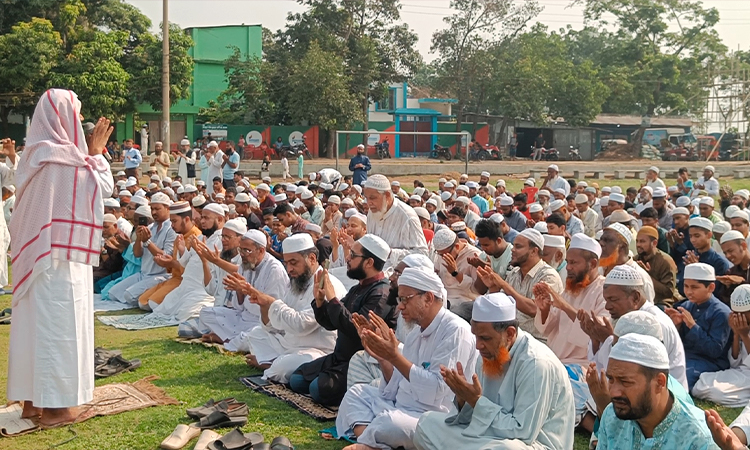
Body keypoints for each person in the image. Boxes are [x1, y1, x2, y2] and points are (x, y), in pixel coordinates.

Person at [8, 89, 112, 427]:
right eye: (77, 113)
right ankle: (54, 410)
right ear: (61, 116)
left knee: (34, 329)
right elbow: (102, 189)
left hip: (40, 258)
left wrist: (90, 154)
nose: (81, 121)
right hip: (59, 262)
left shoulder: (34, 154)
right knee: (58, 329)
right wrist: (95, 153)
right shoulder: (62, 160)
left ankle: (31, 402)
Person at [335, 266, 478, 450]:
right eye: (399, 299)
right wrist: (383, 358)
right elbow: (395, 387)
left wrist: (394, 356)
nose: (400, 306)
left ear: (428, 298)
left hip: (433, 416)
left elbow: (436, 391)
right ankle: (373, 443)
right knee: (356, 394)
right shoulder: (416, 333)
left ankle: (371, 442)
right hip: (402, 408)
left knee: (391, 423)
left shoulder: (455, 331)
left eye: (405, 299)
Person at [413, 292, 575, 450]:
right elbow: (480, 418)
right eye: (476, 336)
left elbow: (522, 432)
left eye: (485, 338)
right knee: (427, 423)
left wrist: (475, 401)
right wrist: (464, 400)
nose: (478, 345)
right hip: (490, 436)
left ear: (510, 334)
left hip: (532, 443)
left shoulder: (536, 363)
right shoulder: (487, 354)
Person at [290, 235, 395, 406]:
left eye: (353, 255)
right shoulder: (357, 288)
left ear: (369, 262)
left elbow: (357, 331)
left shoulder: (383, 293)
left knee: (317, 389)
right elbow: (332, 323)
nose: (347, 258)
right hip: (339, 357)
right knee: (297, 379)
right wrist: (320, 301)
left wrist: (332, 299)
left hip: (361, 362)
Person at [228, 233, 347, 383]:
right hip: (290, 344)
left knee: (282, 367)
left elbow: (302, 325)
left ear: (311, 258)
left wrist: (271, 303)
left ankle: (271, 364)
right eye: (286, 263)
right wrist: (264, 305)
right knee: (255, 334)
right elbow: (272, 326)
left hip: (317, 350)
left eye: (293, 262)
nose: (289, 269)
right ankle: (273, 362)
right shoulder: (296, 282)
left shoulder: (327, 285)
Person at [534, 234, 608, 429]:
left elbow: (600, 330)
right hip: (557, 358)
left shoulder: (605, 290)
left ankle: (591, 424)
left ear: (592, 263)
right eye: (568, 262)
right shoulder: (571, 288)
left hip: (584, 366)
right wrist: (544, 309)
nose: (568, 267)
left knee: (562, 384)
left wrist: (564, 305)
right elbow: (550, 327)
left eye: (574, 263)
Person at [596, 333, 716, 449]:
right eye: (611, 379)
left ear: (660, 382)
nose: (613, 393)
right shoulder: (611, 415)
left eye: (625, 382)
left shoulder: (698, 437)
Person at [582, 264, 689, 389]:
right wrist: (596, 340)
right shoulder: (625, 317)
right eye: (606, 300)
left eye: (613, 299)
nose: (607, 307)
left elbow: (638, 372)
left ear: (635, 297)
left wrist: (609, 340)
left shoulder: (655, 324)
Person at [200, 228, 289, 349]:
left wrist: (248, 290)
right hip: (243, 318)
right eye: (240, 249)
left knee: (250, 337)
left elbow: (274, 309)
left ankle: (227, 339)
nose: (242, 254)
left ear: (261, 250)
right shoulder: (245, 264)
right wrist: (239, 291)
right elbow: (239, 307)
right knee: (206, 313)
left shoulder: (274, 270)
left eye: (247, 250)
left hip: (261, 323)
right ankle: (230, 337)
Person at [475, 228, 563, 342]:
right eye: (514, 246)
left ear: (534, 251)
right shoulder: (514, 273)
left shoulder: (549, 276)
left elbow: (534, 310)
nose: (513, 250)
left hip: (538, 340)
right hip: (513, 336)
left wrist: (504, 285)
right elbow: (502, 305)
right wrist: (493, 287)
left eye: (518, 247)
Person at [666, 263, 731, 391]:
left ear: (711, 287)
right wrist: (677, 326)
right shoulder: (686, 306)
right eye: (686, 286)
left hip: (710, 362)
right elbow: (681, 343)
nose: (689, 292)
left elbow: (715, 351)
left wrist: (692, 325)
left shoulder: (721, 312)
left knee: (681, 377)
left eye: (695, 287)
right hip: (686, 356)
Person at [107, 193, 177, 305]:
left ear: (167, 208)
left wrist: (147, 242)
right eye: (152, 209)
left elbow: (166, 257)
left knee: (129, 296)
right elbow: (137, 254)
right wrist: (139, 239)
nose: (153, 212)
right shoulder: (150, 228)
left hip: (161, 275)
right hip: (143, 274)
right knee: (113, 294)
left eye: (157, 209)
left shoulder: (171, 229)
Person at [362, 174, 427, 263]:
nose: (369, 203)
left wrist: (391, 253)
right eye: (366, 198)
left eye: (373, 198)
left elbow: (422, 254)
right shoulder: (373, 211)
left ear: (387, 195)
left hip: (399, 273)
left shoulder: (407, 216)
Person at [432, 228, 481, 310]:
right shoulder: (442, 254)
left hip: (465, 301)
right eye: (440, 255)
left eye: (445, 254)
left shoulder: (475, 256)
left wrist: (455, 273)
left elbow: (477, 290)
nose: (443, 258)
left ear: (457, 246)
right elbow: (436, 271)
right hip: (443, 297)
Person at [634, 225, 679, 308]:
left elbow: (668, 292)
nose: (638, 245)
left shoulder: (665, 261)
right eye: (637, 241)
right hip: (640, 300)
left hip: (661, 302)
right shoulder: (636, 259)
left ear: (654, 243)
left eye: (642, 241)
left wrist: (647, 276)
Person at [470, 219, 513, 293]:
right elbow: (480, 290)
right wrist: (481, 269)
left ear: (498, 241)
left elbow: (508, 291)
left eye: (486, 245)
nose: (483, 248)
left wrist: (491, 271)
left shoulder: (513, 256)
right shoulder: (484, 255)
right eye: (481, 245)